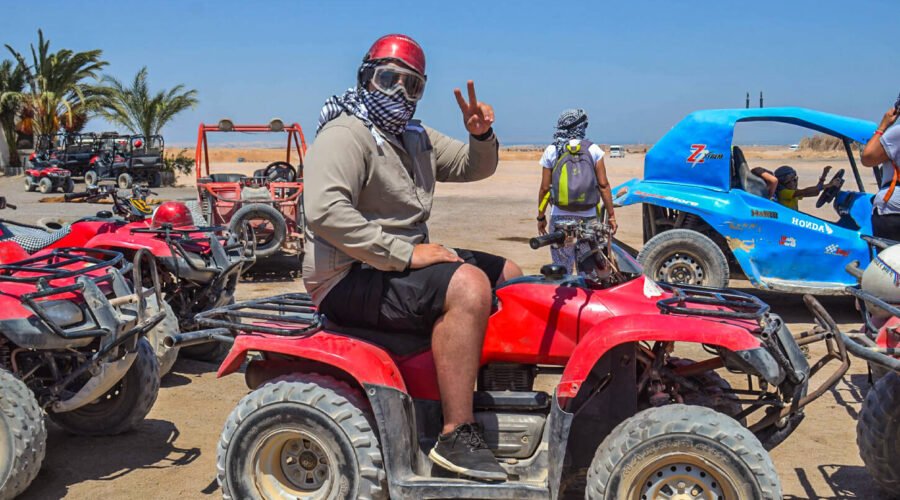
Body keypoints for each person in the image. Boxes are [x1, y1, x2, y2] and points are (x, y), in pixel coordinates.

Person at [302, 34, 522, 481]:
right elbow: (324, 211)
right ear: (366, 78)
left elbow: (471, 166)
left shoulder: (413, 137)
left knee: (512, 275)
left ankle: (498, 392)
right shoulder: (348, 133)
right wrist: (405, 254)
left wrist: (480, 136)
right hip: (348, 274)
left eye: (412, 86)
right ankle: (457, 433)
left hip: (395, 264)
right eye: (389, 80)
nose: (399, 94)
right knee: (469, 284)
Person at [536, 109, 617, 272]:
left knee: (562, 266)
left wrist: (540, 217)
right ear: (581, 127)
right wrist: (612, 216)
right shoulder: (593, 149)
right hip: (589, 218)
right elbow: (603, 185)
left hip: (561, 218)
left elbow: (545, 188)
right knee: (588, 268)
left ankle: (566, 293)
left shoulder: (553, 150)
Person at [862, 105, 900, 239]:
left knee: (888, 258)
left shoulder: (897, 133)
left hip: (893, 211)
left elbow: (868, 158)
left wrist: (883, 127)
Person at [751, 164, 837, 210]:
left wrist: (824, 175)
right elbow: (805, 191)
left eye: (795, 179)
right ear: (782, 183)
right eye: (790, 181)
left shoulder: (793, 193)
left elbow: (815, 192)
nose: (794, 183)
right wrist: (829, 185)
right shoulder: (784, 193)